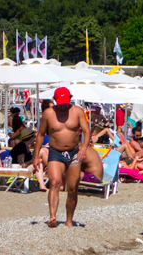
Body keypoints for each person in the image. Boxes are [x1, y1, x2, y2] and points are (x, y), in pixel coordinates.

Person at [32, 87, 103, 228]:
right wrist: (36, 156)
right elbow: (40, 135)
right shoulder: (48, 113)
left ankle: (69, 220)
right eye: (60, 102)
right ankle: (52, 216)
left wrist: (83, 147)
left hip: (73, 152)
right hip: (55, 152)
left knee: (72, 188)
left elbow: (87, 131)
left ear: (70, 98)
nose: (63, 105)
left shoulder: (77, 112)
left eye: (65, 102)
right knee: (54, 182)